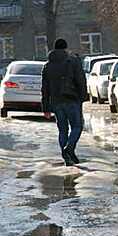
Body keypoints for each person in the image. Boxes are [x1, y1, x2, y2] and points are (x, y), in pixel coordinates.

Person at [41, 38, 87, 166]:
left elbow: (45, 89)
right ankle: (69, 149)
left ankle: (67, 156)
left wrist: (45, 108)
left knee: (62, 130)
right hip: (72, 99)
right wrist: (83, 97)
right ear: (66, 48)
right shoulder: (73, 61)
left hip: (56, 102)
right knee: (77, 126)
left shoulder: (47, 66)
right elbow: (80, 80)